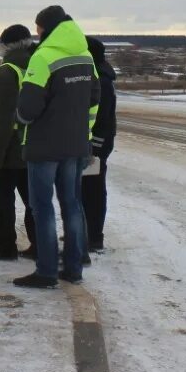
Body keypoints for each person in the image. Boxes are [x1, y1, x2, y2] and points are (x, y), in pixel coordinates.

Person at [13, 5, 99, 289]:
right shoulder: (85, 56)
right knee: (72, 204)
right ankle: (74, 268)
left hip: (44, 147)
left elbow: (28, 107)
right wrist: (84, 133)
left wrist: (20, 118)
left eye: (38, 27)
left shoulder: (43, 57)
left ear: (47, 28)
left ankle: (47, 271)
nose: (36, 32)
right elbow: (94, 100)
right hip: (76, 145)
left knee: (42, 208)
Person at [0, 24, 37, 261]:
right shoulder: (39, 66)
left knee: (3, 201)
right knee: (34, 201)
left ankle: (6, 247)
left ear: (5, 46)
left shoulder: (5, 73)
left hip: (11, 149)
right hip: (35, 145)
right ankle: (40, 244)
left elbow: (1, 120)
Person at [83, 37, 117, 252]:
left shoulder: (101, 81)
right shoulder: (99, 75)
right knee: (85, 189)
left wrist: (94, 147)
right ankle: (87, 232)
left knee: (92, 191)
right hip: (95, 143)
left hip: (96, 145)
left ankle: (94, 237)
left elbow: (101, 118)